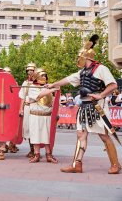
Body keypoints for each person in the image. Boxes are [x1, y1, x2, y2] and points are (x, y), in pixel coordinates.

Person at [47, 35, 121, 174]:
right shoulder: (81, 72)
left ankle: (115, 164)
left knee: (104, 136)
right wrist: (53, 84)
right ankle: (77, 164)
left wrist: (101, 95)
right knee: (81, 135)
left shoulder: (101, 69)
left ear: (87, 57)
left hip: (97, 106)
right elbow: (67, 80)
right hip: (84, 107)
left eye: (79, 56)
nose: (78, 59)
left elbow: (113, 85)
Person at [27, 68, 58, 163]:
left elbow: (54, 102)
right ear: (36, 77)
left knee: (47, 136)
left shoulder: (48, 87)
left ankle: (49, 154)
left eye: (45, 75)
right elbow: (39, 96)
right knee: (35, 135)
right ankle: (36, 154)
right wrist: (51, 89)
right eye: (42, 75)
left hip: (47, 115)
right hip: (35, 115)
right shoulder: (32, 87)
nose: (44, 77)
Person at [18, 62, 37, 157]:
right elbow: (22, 96)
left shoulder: (38, 82)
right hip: (26, 107)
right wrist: (20, 109)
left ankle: (36, 151)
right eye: (28, 70)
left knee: (35, 129)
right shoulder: (25, 83)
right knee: (27, 128)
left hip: (35, 107)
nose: (29, 72)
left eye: (32, 70)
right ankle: (32, 150)